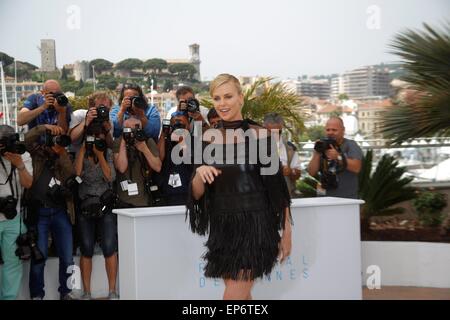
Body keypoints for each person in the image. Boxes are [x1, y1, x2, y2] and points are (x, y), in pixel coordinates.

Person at [187, 74, 292, 300]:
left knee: (232, 298)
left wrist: (287, 234)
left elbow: (278, 190)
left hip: (255, 227)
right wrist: (199, 173)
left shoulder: (260, 134)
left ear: (241, 98)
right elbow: (196, 193)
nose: (222, 103)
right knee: (242, 298)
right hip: (222, 228)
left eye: (228, 96)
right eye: (217, 98)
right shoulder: (205, 138)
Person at [24, 124, 76, 300]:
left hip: (61, 211)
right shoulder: (36, 154)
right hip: (39, 213)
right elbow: (27, 139)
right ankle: (37, 295)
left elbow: (71, 173)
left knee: (68, 257)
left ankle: (67, 292)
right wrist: (43, 128)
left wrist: (60, 152)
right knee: (40, 258)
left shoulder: (61, 154)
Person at [74, 130, 118, 300]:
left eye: (100, 141)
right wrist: (84, 151)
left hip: (104, 205)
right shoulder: (82, 153)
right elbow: (76, 173)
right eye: (93, 140)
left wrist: (100, 155)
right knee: (86, 248)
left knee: (109, 247)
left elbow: (110, 177)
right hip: (86, 205)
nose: (96, 144)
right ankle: (86, 292)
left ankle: (112, 291)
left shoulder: (107, 153)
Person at [0, 125, 33, 300]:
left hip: (14, 218)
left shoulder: (23, 155)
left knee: (13, 263)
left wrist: (19, 165)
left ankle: (9, 297)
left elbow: (28, 184)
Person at [307, 117, 363, 199]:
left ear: (343, 130)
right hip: (324, 197)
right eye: (328, 130)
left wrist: (338, 157)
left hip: (346, 198)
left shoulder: (350, 145)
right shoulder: (323, 146)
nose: (330, 132)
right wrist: (317, 153)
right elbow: (311, 172)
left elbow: (357, 167)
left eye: (334, 130)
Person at [113, 118, 162, 208]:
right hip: (124, 201)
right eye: (128, 129)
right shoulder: (119, 142)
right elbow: (121, 168)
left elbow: (158, 167)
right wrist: (124, 140)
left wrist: (144, 149)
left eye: (135, 129)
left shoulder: (147, 141)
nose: (133, 132)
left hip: (144, 199)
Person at [155, 111, 193, 206]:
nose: (178, 128)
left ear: (188, 126)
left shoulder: (194, 141)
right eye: (175, 125)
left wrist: (183, 140)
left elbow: (190, 160)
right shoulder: (166, 140)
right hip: (167, 194)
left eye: (182, 125)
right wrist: (164, 134)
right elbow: (159, 158)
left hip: (187, 193)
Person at [263, 113, 301, 197]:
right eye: (271, 132)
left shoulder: (290, 148)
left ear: (282, 128)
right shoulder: (253, 147)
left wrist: (290, 171)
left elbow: (298, 174)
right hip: (262, 200)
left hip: (285, 198)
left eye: (278, 132)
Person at [68, 91, 114, 156]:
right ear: (91, 107)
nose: (103, 111)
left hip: (98, 155)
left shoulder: (108, 121)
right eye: (101, 108)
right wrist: (86, 121)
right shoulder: (79, 115)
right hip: (76, 154)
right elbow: (71, 138)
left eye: (107, 108)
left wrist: (107, 132)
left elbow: (111, 146)